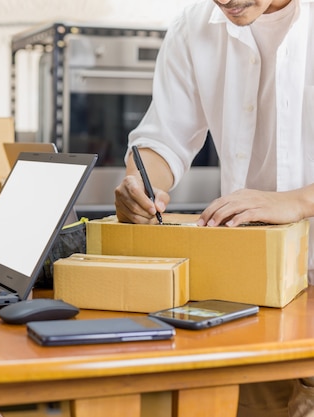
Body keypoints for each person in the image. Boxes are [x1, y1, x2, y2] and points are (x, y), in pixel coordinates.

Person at [114, 0, 314, 416]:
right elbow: (164, 136)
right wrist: (140, 182)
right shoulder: (193, 27)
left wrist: (296, 201)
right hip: (254, 293)